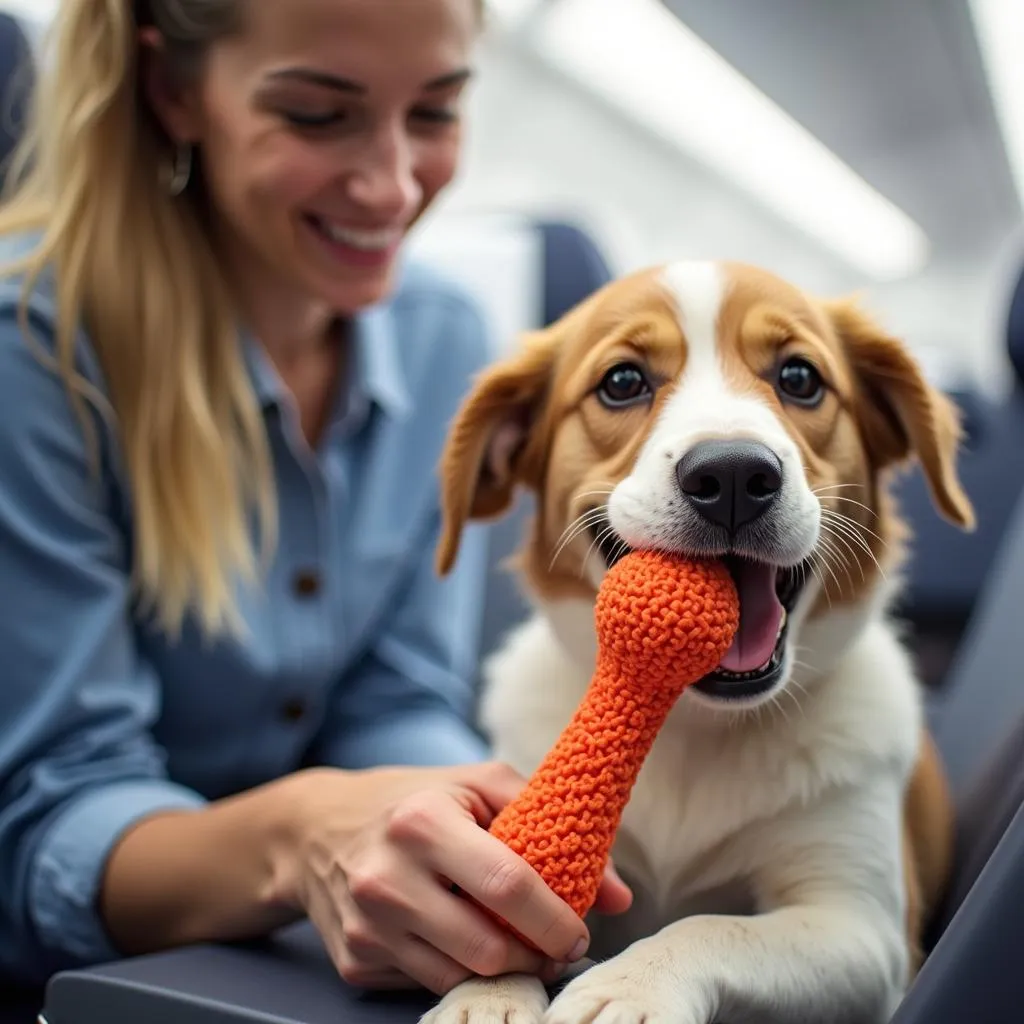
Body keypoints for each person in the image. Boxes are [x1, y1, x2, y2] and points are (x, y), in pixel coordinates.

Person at [0, 0, 631, 996]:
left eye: (432, 115)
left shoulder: (445, 343)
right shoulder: (31, 350)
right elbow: (48, 832)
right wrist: (304, 836)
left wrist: (457, 816)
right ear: (175, 92)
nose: (389, 184)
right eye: (315, 116)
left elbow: (397, 695)